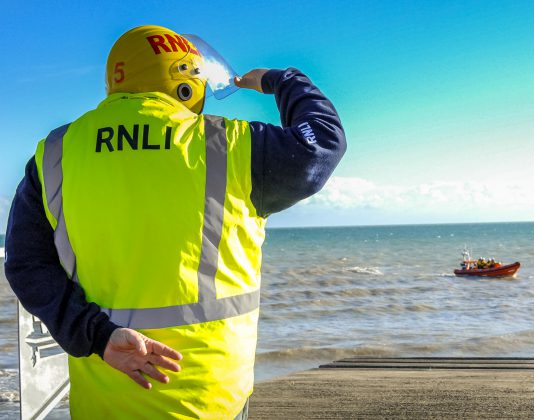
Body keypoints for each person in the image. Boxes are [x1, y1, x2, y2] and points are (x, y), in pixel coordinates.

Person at [3, 25, 345, 418]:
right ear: (186, 83)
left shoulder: (55, 154)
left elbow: (26, 263)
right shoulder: (231, 145)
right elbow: (322, 142)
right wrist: (282, 80)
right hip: (212, 398)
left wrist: (96, 334)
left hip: (105, 400)